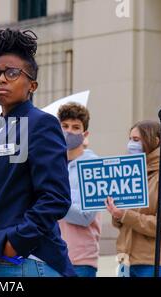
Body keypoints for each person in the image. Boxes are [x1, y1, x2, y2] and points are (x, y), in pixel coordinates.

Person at [0, 28, 75, 277]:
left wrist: (16, 243)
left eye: (12, 73)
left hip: (29, 261)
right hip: (0, 260)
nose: (0, 79)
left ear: (32, 85)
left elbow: (56, 197)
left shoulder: (41, 123)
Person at [105, 120, 161, 277]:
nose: (131, 145)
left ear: (155, 141)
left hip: (154, 263)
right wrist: (116, 213)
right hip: (127, 260)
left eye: (136, 140)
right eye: (130, 139)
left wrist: (124, 215)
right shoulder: (130, 174)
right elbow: (123, 223)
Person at [57, 103, 101, 277]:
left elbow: (85, 216)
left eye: (76, 127)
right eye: (64, 126)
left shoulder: (94, 167)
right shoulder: (50, 163)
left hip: (80, 261)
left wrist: (51, 204)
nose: (69, 131)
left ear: (85, 134)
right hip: (49, 258)